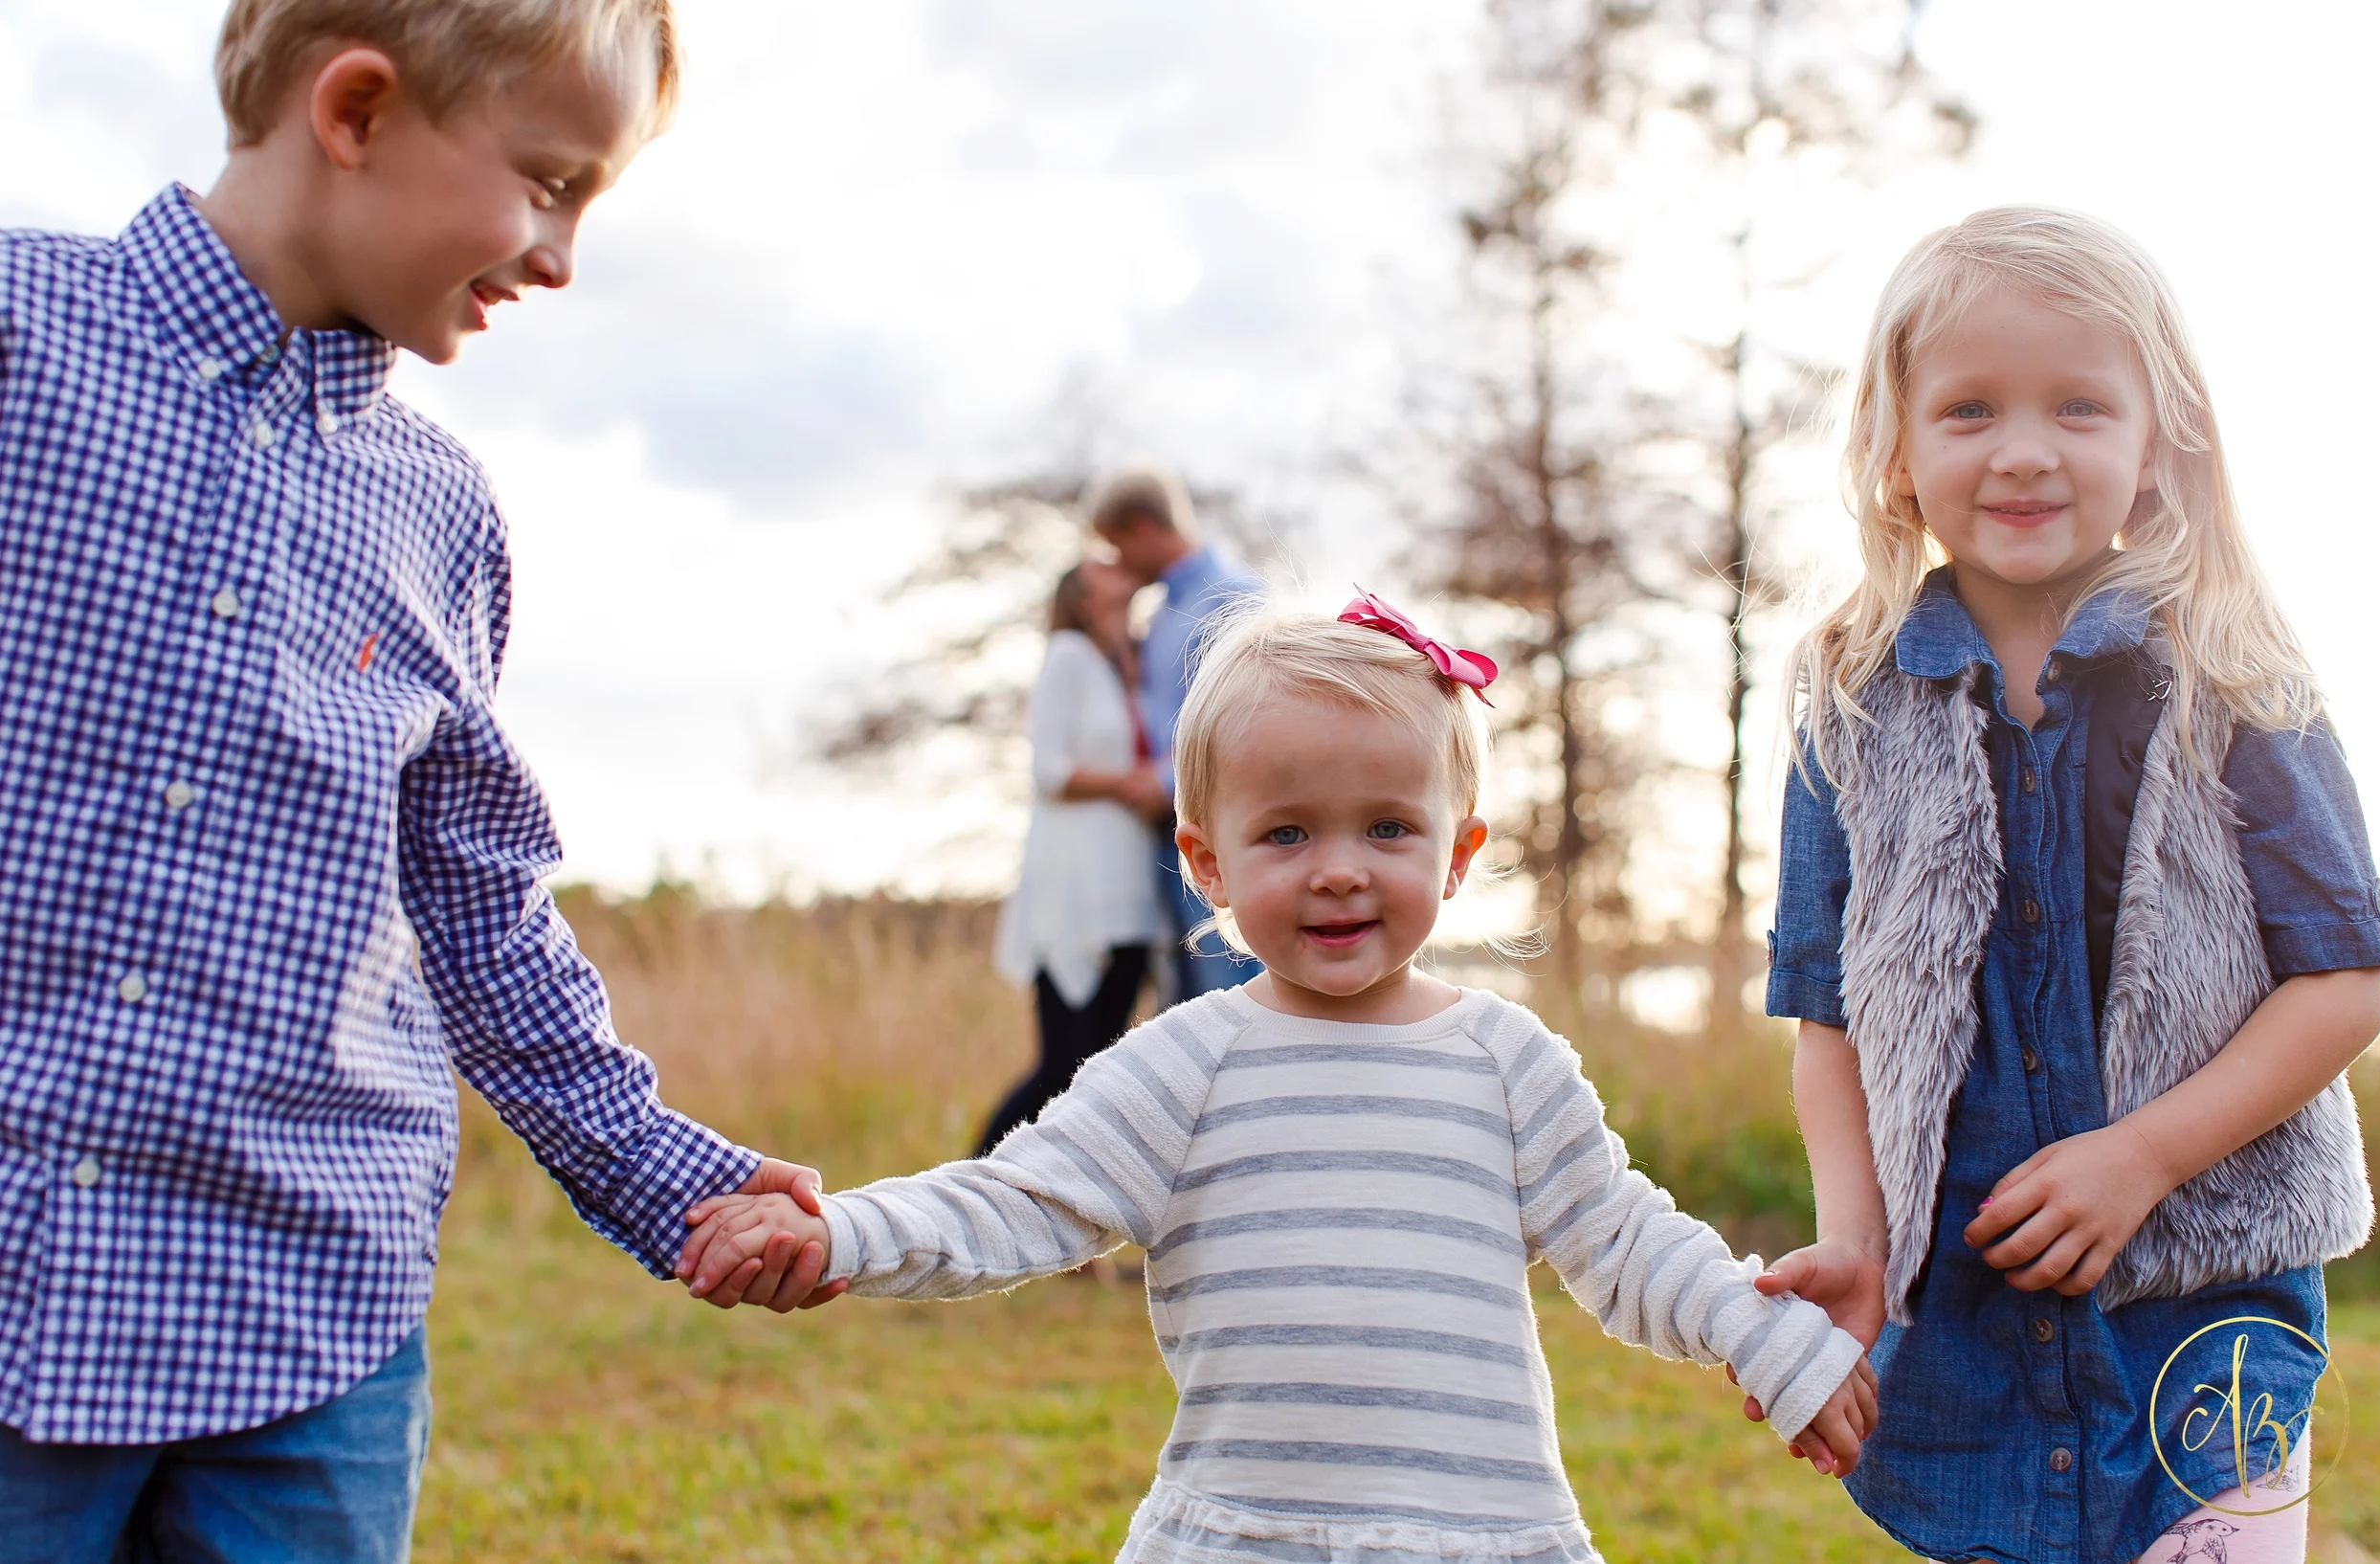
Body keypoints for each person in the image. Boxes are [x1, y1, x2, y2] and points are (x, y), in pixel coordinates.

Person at [0, 0, 827, 1557]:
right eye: (549, 182)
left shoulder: (441, 511)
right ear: (358, 110)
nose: (562, 256)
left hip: (313, 1322)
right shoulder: (23, 342)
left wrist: (665, 1173)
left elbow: (476, 908)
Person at [678, 596, 1877, 1562]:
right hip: (1247, 1530)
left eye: (1388, 828)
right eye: (1287, 833)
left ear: (1459, 852)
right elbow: (1018, 1198)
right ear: (1208, 861)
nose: (1338, 870)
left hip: (1475, 1529)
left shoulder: (1506, 1062)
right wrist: (841, 1231)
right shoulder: (1185, 1064)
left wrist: (1761, 1337)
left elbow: (1623, 1241)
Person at [1753, 207, 2380, 1563]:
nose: (2025, 449)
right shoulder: (1846, 702)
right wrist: (1856, 1241)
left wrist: (2140, 1155)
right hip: (1966, 1319)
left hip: (2204, 1304)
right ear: (1897, 449)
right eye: (1970, 408)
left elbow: (2343, 981)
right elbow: (1827, 1016)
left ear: (2157, 441)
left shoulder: (2235, 667)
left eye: (2080, 406)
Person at [980, 561, 1169, 1156]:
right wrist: (1132, 783)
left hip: (1127, 891)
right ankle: (968, 1181)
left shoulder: (1121, 665)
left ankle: (1075, 1212)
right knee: (1062, 1069)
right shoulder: (1066, 654)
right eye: (1103, 568)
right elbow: (1049, 770)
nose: (1120, 567)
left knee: (1098, 1070)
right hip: (1076, 891)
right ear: (1085, 598)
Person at [1087, 463, 1263, 1002]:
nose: (1116, 561)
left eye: (1116, 545)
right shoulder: (1161, 613)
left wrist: (1165, 781)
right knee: (1184, 1000)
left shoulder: (1233, 597)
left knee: (1228, 988)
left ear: (1141, 527)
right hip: (1167, 831)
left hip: (1217, 822)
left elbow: (1251, 714)